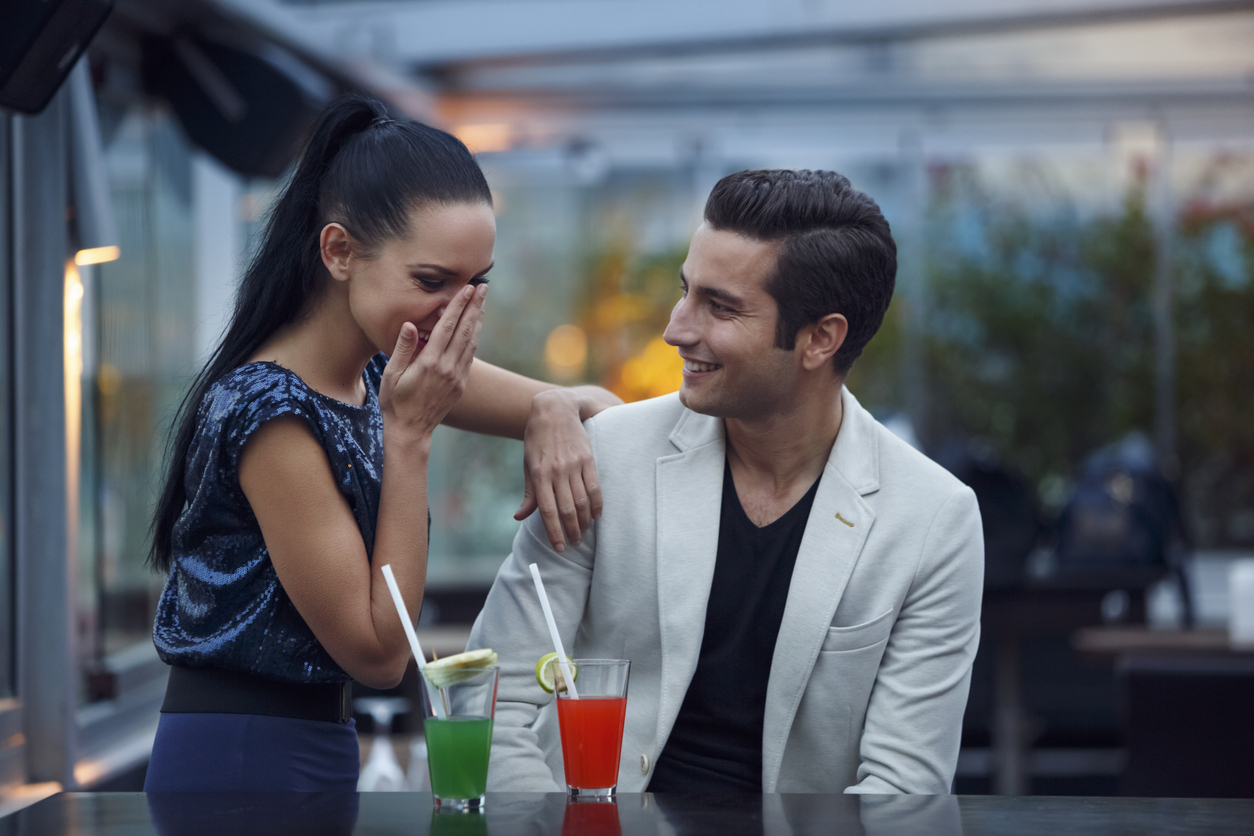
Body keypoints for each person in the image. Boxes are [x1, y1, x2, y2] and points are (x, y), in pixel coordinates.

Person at [143, 94, 619, 792]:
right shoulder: (271, 414)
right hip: (241, 759)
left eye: (474, 285)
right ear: (338, 251)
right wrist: (410, 436)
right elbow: (377, 653)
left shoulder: (376, 365)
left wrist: (550, 407)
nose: (456, 312)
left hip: (317, 744)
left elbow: (600, 408)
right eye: (431, 281)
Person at [468, 169, 984, 794]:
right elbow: (492, 703)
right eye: (686, 292)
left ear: (821, 338)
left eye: (720, 306)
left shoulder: (933, 519)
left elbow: (903, 788)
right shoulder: (607, 455)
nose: (677, 329)